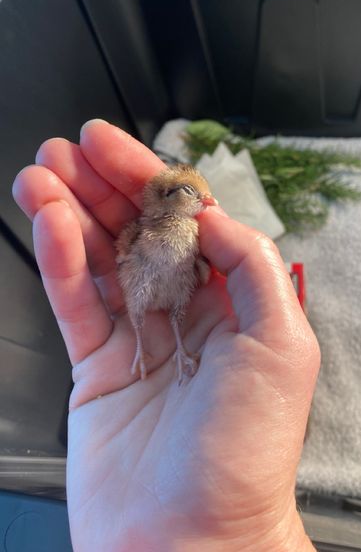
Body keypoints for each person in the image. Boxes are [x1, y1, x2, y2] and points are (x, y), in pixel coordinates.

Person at [12, 119, 320, 552]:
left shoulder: (195, 236)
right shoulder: (145, 232)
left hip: (172, 298)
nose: (206, 200)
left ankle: (178, 350)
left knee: (179, 313)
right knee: (139, 312)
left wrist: (249, 537)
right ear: (168, 199)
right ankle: (142, 346)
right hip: (141, 290)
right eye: (194, 194)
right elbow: (124, 255)